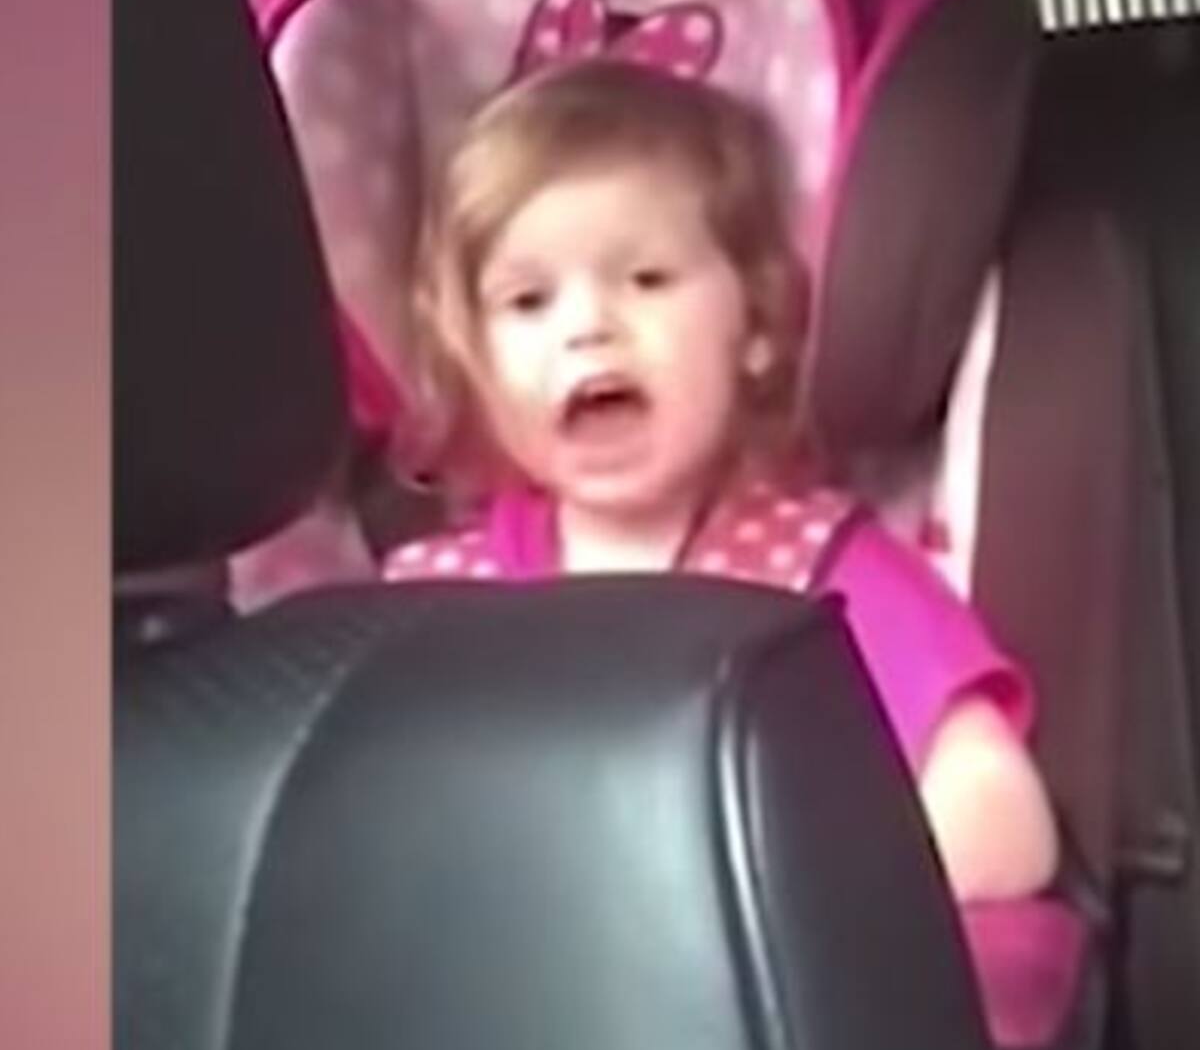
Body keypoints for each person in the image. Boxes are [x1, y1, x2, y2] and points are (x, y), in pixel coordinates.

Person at [383, 58, 1059, 904]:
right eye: (528, 302)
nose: (587, 326)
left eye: (647, 280)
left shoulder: (825, 578)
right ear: (473, 362)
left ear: (757, 328)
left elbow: (1000, 821)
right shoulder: (427, 613)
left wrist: (788, 905)